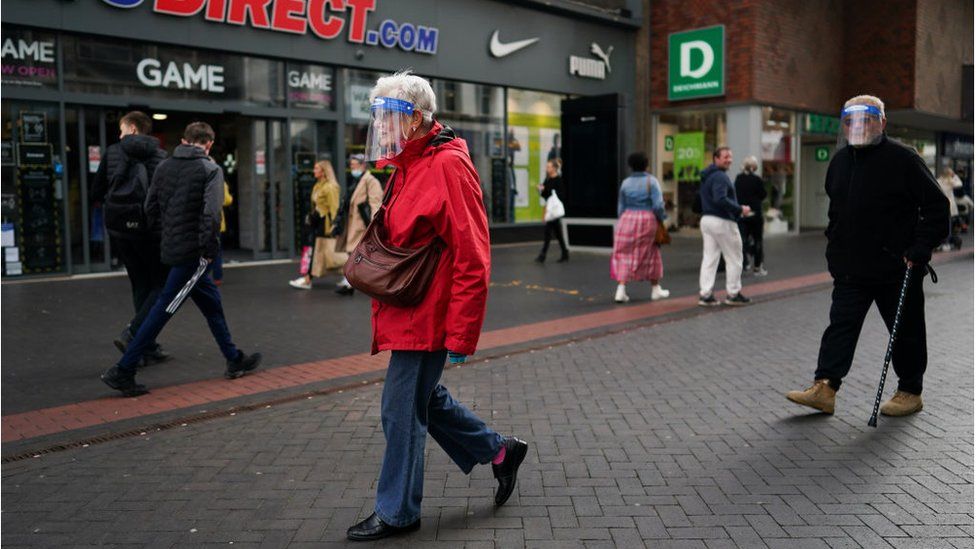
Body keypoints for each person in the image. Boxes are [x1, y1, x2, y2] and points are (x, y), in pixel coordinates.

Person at [346, 71, 528, 542]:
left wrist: (462, 334)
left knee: (400, 409)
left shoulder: (447, 165)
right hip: (408, 308)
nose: (380, 127)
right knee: (425, 399)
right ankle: (500, 452)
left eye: (387, 116)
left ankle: (398, 512)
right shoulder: (409, 164)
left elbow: (473, 254)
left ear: (415, 119)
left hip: (427, 315)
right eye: (377, 116)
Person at [786, 95, 949, 417]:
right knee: (840, 327)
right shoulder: (840, 161)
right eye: (850, 121)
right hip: (851, 268)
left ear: (882, 122)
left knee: (905, 330)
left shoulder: (903, 159)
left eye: (867, 119)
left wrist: (921, 246)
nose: (858, 126)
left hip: (897, 266)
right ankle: (826, 386)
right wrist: (834, 247)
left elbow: (936, 206)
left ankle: (909, 390)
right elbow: (836, 213)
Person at [100, 122, 262, 397]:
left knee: (212, 306)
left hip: (174, 247)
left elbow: (150, 207)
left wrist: (166, 238)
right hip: (194, 255)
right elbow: (212, 215)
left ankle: (234, 358)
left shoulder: (165, 166)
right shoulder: (210, 169)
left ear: (185, 140)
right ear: (208, 144)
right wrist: (209, 251)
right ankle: (123, 370)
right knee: (164, 308)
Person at [90, 110, 170, 365]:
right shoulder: (160, 155)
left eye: (122, 129)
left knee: (140, 285)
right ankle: (136, 335)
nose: (120, 134)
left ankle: (145, 346)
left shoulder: (113, 152)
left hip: (121, 231)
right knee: (160, 285)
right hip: (149, 230)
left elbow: (97, 190)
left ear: (133, 128)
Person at [610, 152, 670, 303]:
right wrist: (662, 218)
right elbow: (657, 205)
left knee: (624, 253)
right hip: (647, 219)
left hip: (626, 219)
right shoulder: (652, 181)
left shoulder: (625, 183)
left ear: (631, 166)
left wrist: (623, 220)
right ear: (646, 164)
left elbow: (620, 206)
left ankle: (620, 290)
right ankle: (655, 289)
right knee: (651, 252)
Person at [698, 147, 752, 306]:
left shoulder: (707, 176)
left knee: (709, 258)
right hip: (723, 221)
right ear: (716, 158)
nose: (729, 159)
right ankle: (733, 294)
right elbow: (720, 198)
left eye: (730, 156)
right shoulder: (721, 177)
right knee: (734, 258)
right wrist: (740, 209)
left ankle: (705, 294)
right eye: (725, 157)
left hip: (707, 220)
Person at [333, 154, 383, 295]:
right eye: (351, 165)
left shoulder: (370, 181)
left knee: (358, 254)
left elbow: (375, 204)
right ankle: (350, 280)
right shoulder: (356, 181)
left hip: (361, 224)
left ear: (363, 165)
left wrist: (375, 225)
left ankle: (350, 281)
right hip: (352, 222)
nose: (352, 167)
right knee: (353, 253)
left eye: (354, 165)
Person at [288, 160, 340, 290]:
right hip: (316, 222)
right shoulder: (318, 185)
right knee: (314, 250)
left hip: (324, 224)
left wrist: (335, 226)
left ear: (324, 171)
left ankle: (308, 279)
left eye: (316, 169)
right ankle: (307, 278)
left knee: (321, 250)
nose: (314, 171)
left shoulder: (330, 187)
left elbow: (334, 208)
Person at [734, 155, 768, 276]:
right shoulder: (757, 180)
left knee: (742, 240)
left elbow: (735, 194)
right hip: (755, 214)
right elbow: (763, 194)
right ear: (754, 167)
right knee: (758, 239)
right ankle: (758, 268)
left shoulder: (738, 179)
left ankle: (745, 262)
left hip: (742, 214)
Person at [535, 158, 569, 263]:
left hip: (554, 211)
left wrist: (546, 190)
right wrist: (541, 190)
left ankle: (543, 255)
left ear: (554, 168)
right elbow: (545, 195)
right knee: (557, 233)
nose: (547, 168)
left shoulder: (558, 180)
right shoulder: (548, 179)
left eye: (549, 167)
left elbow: (561, 195)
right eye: (547, 166)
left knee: (548, 232)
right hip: (550, 210)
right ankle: (564, 252)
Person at [935, 167, 962, 251]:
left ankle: (939, 243)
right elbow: (960, 184)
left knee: (939, 225)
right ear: (950, 174)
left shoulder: (938, 181)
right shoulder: (950, 181)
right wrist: (955, 176)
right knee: (948, 226)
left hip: (939, 206)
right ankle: (946, 243)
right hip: (949, 207)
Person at [212, 181, 233, 285]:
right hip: (217, 222)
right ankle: (217, 278)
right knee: (217, 252)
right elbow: (227, 200)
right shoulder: (220, 182)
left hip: (200, 222)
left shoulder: (196, 179)